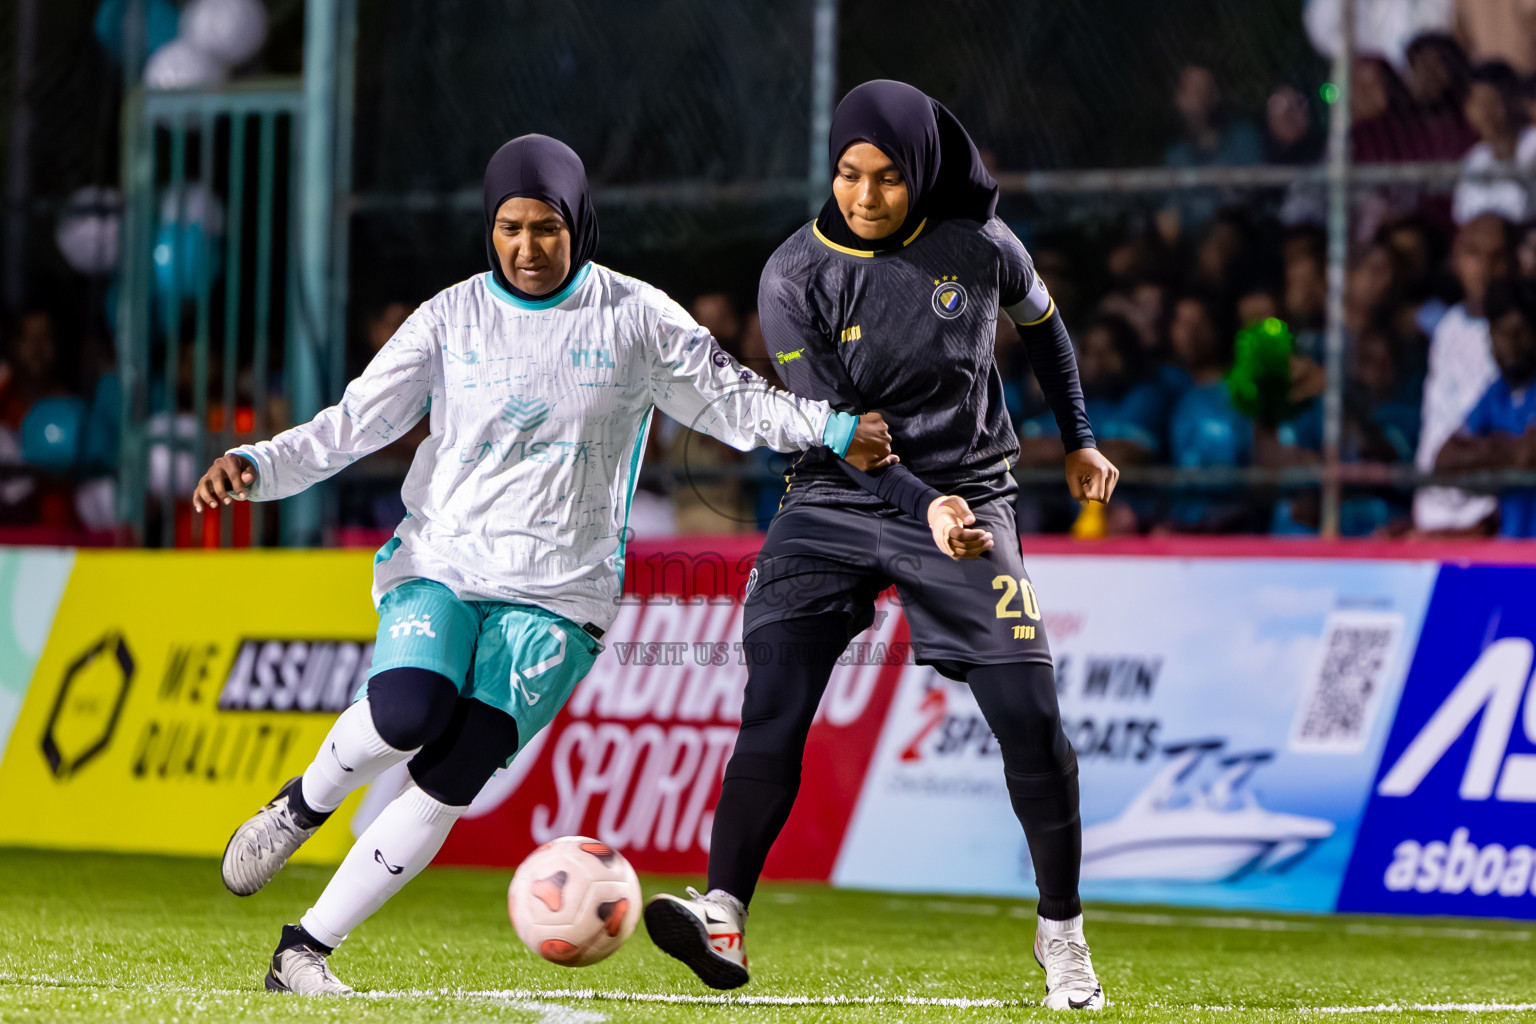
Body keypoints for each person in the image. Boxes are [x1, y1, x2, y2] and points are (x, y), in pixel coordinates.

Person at [197, 134, 894, 996]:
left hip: (563, 595)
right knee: (410, 709)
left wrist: (827, 428)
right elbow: (354, 424)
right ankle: (299, 805)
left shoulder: (636, 317)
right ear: (490, 230)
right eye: (509, 229)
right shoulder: (451, 317)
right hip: (445, 558)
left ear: (579, 223)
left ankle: (303, 950)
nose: (527, 249)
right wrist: (260, 466)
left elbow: (731, 397)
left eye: (546, 229)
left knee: (455, 770)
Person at [643, 81, 1118, 1011]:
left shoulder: (981, 244)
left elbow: (1047, 328)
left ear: (923, 175)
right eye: (849, 174)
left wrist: (1081, 438)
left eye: (889, 178)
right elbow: (845, 440)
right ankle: (723, 913)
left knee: (1030, 714)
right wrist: (920, 503)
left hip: (973, 495)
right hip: (833, 496)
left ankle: (1061, 932)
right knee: (773, 703)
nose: (864, 196)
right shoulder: (792, 276)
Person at [1414, 212, 1509, 532]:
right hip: (1431, 515)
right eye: (1473, 253)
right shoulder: (1447, 327)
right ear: (1455, 257)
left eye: (1496, 256)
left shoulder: (1518, 338)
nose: (1484, 267)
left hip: (1488, 522)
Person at [1435, 277, 1536, 536]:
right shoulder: (1497, 392)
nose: (1510, 345)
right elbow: (1445, 461)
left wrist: (1485, 449)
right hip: (1511, 552)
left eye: (1520, 332)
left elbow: (1526, 457)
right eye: (1500, 333)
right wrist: (1505, 448)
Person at [1452, 62, 1536, 225]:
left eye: (1493, 102)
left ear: (1514, 101)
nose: (1486, 113)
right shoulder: (1474, 159)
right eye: (1478, 104)